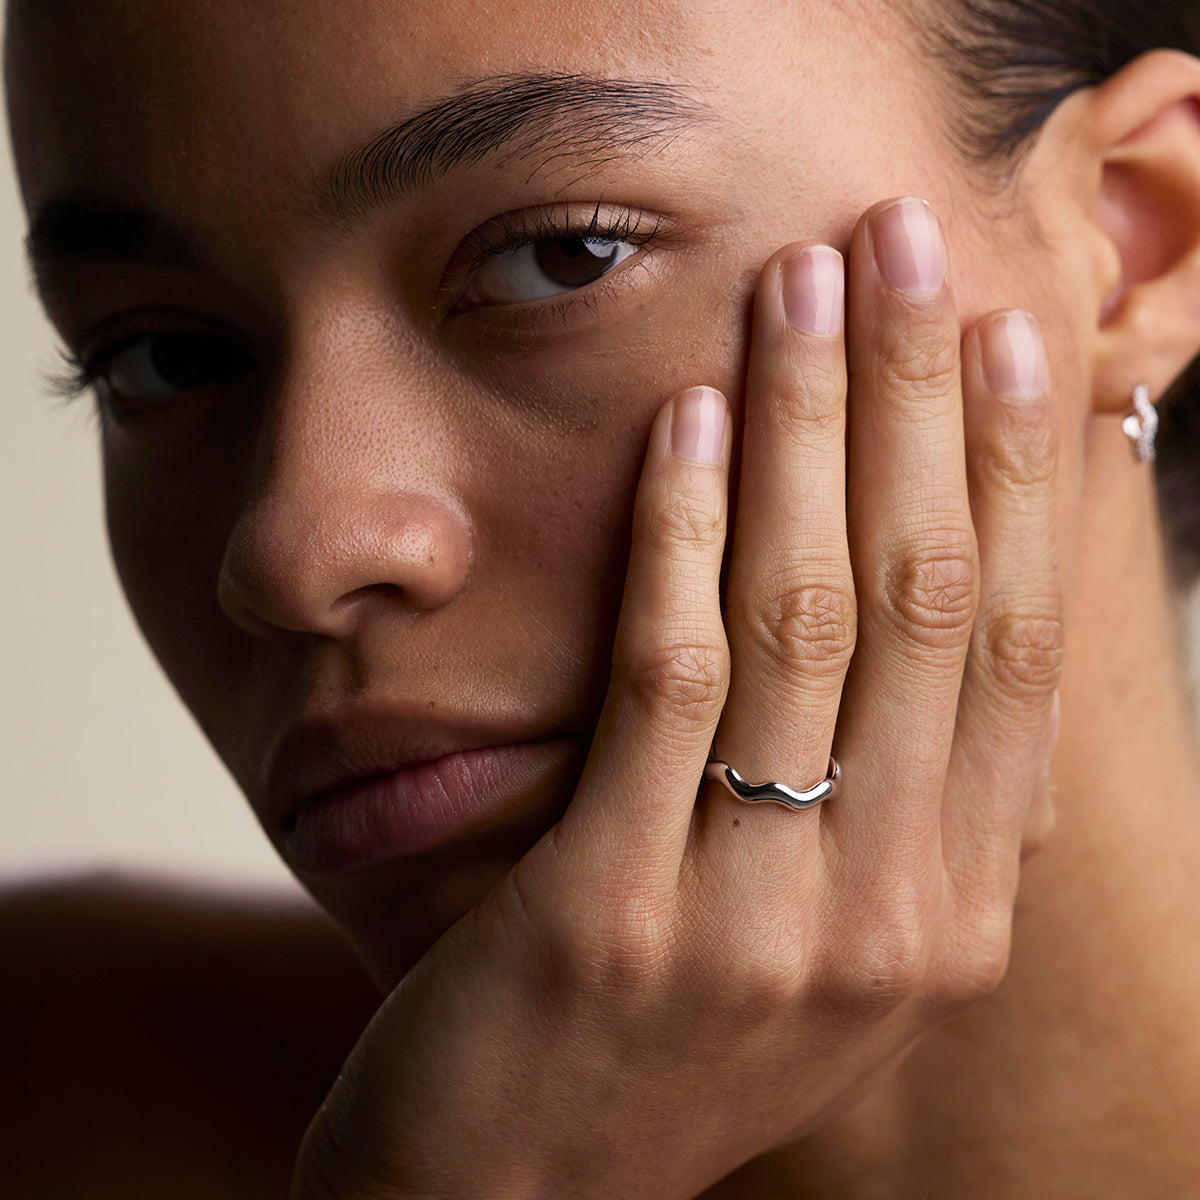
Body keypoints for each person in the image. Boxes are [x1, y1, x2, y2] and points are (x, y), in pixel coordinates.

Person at [4, 0, 1200, 1194]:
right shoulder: (47, 1091)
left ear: (1137, 240)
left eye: (561, 254)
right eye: (160, 354)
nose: (289, 554)